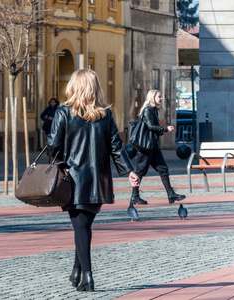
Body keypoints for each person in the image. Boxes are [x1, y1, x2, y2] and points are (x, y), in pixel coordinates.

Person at [48, 69, 140, 292]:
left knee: (81, 227)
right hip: (98, 179)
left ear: (74, 86)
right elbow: (116, 146)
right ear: (95, 87)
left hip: (74, 180)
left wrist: (56, 162)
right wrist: (129, 170)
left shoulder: (63, 113)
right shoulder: (105, 114)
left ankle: (88, 276)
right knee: (85, 226)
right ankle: (77, 271)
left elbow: (53, 147)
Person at [130, 89, 186, 205]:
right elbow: (150, 126)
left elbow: (152, 129)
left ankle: (171, 195)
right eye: (159, 97)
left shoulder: (154, 111)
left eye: (161, 96)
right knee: (140, 172)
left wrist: (162, 132)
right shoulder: (148, 110)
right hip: (146, 148)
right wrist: (165, 128)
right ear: (152, 98)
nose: (161, 98)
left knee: (163, 169)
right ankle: (134, 196)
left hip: (153, 146)